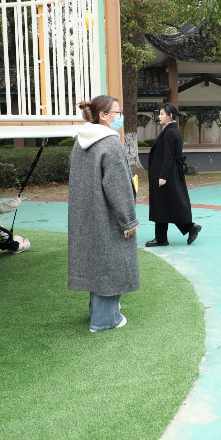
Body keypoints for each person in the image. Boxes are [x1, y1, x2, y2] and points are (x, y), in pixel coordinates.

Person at [68, 95, 140, 333]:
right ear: (103, 115)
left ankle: (97, 312)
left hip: (84, 213)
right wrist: (128, 221)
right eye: (117, 112)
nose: (120, 116)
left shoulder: (80, 141)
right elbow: (118, 187)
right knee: (112, 262)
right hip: (107, 214)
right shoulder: (110, 143)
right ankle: (106, 319)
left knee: (96, 261)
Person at [145, 103, 201, 247]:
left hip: (166, 175)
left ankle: (164, 237)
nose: (159, 116)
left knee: (163, 204)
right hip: (168, 174)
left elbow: (168, 156)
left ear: (170, 116)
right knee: (165, 204)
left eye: (162, 114)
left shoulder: (170, 132)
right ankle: (170, 234)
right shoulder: (170, 130)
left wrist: (163, 176)